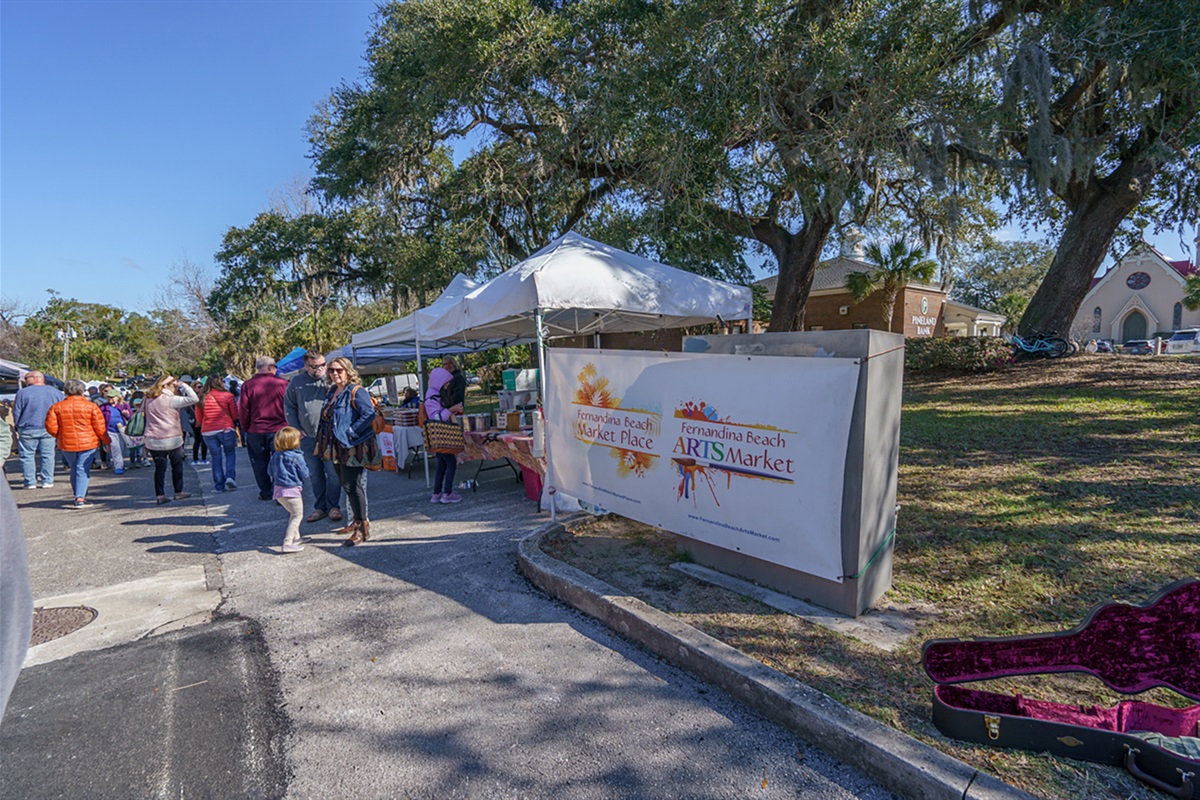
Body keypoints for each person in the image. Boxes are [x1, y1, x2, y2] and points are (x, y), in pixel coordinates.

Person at [314, 357, 380, 546]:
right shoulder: (332, 391)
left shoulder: (356, 391)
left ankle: (361, 526)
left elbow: (368, 413)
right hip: (334, 445)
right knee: (344, 483)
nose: (335, 373)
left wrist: (351, 431)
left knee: (353, 485)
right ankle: (357, 522)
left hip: (352, 445)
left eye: (339, 370)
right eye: (332, 370)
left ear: (348, 371)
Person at [283, 350, 343, 524]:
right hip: (308, 436)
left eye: (322, 365)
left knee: (333, 473)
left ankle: (334, 506)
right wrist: (295, 427)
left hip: (330, 436)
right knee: (315, 474)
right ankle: (320, 507)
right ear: (306, 366)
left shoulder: (332, 380)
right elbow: (289, 406)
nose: (320, 369)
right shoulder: (296, 382)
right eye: (314, 366)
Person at [44, 379, 111, 508]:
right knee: (82, 468)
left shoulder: (56, 407)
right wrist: (106, 441)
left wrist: (59, 435)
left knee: (75, 468)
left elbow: (50, 427)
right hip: (88, 442)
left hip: (66, 443)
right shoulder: (91, 406)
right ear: (82, 390)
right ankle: (80, 498)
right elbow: (100, 427)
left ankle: (79, 494)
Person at [142, 375, 199, 504]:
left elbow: (142, 413)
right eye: (173, 384)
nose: (175, 386)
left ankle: (160, 495)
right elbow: (194, 398)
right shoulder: (172, 399)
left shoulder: (147, 398)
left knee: (159, 468)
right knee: (177, 466)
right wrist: (184, 385)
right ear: (165, 386)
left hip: (153, 438)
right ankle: (178, 491)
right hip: (172, 437)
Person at [239, 357, 288, 501]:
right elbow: (290, 407)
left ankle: (266, 491)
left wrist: (246, 427)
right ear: (271, 367)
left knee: (259, 463)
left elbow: (243, 409)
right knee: (282, 461)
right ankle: (282, 492)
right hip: (280, 429)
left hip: (256, 429)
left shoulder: (248, 385)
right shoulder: (283, 384)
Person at [12, 370, 64, 489]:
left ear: (35, 378)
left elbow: (17, 411)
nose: (25, 381)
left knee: (27, 455)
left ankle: (30, 482)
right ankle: (47, 480)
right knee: (48, 455)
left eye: (26, 378)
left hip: (27, 428)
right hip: (49, 428)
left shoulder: (22, 393)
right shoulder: (55, 392)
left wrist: (17, 425)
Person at [424, 365, 465, 504]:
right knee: (451, 463)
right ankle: (447, 493)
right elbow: (437, 418)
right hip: (439, 436)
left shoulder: (433, 396)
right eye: (446, 383)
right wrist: (451, 409)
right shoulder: (431, 399)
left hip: (438, 438)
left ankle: (437, 493)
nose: (447, 386)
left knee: (442, 463)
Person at [267, 426, 310, 554]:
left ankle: (296, 538)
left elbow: (269, 471)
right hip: (292, 491)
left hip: (279, 491)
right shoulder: (296, 457)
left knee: (293, 514)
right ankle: (287, 542)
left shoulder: (275, 455)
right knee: (297, 516)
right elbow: (305, 473)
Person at [195, 376, 239, 492]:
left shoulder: (201, 397)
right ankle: (230, 477)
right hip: (226, 428)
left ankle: (219, 485)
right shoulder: (228, 396)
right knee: (230, 453)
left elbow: (199, 418)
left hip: (208, 430)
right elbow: (234, 415)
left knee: (216, 457)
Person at [101, 388, 131, 474]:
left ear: (117, 397)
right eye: (108, 397)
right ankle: (118, 466)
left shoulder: (124, 405)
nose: (110, 399)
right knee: (115, 448)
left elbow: (130, 417)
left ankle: (119, 463)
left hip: (122, 430)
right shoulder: (104, 407)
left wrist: (127, 414)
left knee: (121, 448)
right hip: (109, 430)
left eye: (112, 397)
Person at [188, 381, 208, 464]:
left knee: (203, 440)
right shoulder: (191, 398)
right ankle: (195, 458)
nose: (201, 388)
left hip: (203, 420)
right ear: (194, 388)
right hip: (195, 421)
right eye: (199, 387)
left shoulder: (204, 397)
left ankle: (203, 458)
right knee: (197, 439)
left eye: (202, 386)